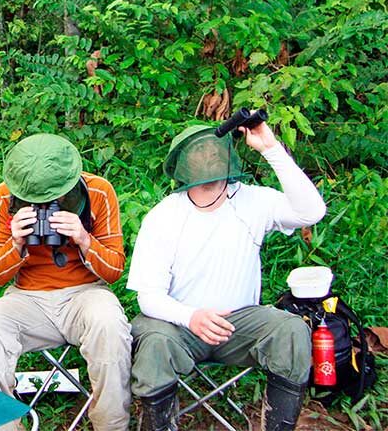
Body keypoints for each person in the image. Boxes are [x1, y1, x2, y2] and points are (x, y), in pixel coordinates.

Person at [127, 119, 326, 431]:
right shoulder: (164, 216)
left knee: (290, 330)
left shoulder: (252, 199)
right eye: (198, 161)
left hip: (239, 323)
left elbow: (311, 212)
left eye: (213, 161)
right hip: (178, 325)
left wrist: (271, 149)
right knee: (154, 344)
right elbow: (148, 296)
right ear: (182, 170)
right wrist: (191, 317)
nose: (208, 172)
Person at [0, 133, 132, 431]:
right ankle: (0, 427)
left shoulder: (98, 190)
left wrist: (83, 239)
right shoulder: (5, 195)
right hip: (26, 297)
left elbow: (114, 270)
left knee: (109, 322)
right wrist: (16, 243)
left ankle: (112, 426)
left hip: (85, 293)